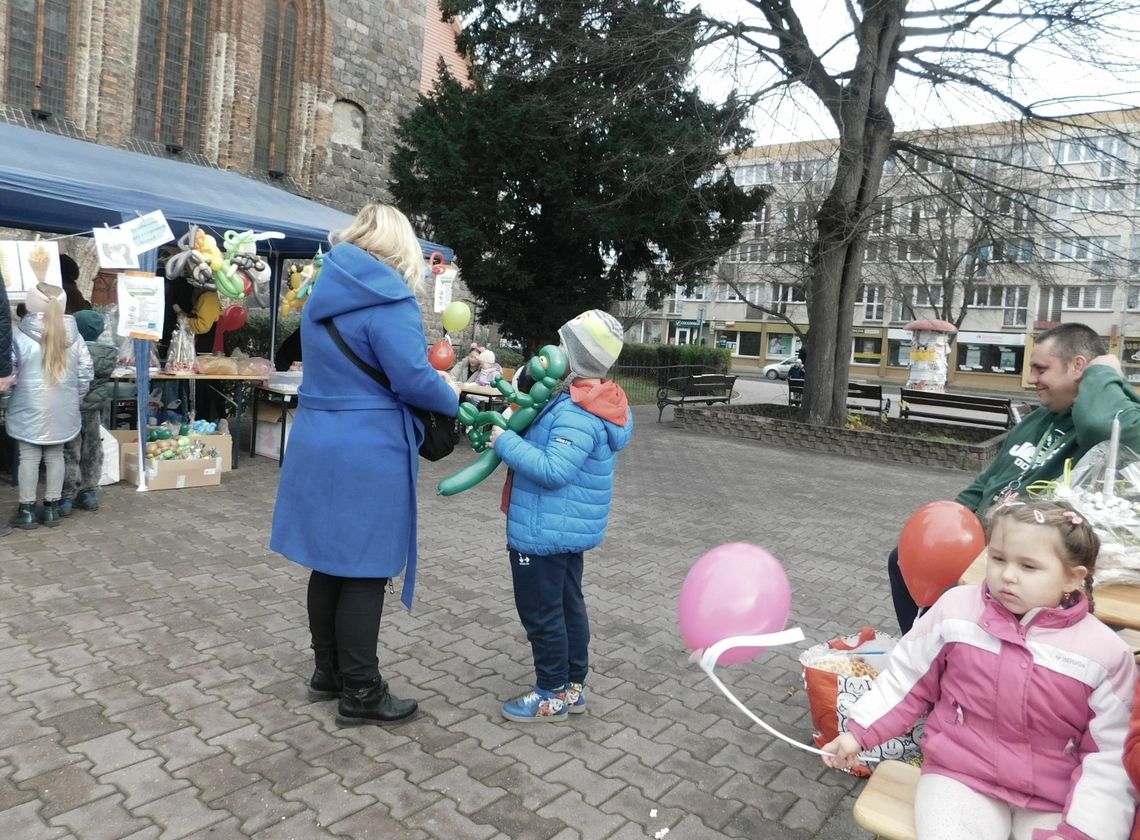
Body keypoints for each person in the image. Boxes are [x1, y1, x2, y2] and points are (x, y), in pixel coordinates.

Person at [827, 499, 1137, 840]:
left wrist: (1085, 830)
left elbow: (1111, 754)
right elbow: (907, 677)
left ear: (1072, 578)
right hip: (960, 775)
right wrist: (859, 732)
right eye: (998, 558)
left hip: (1055, 797)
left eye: (1029, 566)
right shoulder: (956, 611)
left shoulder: (1105, 654)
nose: (1007, 575)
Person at [270, 203, 460, 727]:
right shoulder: (391, 300)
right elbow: (412, 379)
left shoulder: (320, 294)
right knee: (366, 570)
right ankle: (361, 689)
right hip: (368, 446)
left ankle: (326, 673)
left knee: (328, 562)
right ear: (400, 248)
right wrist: (451, 397)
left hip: (316, 437)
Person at [889, 322, 1140, 633]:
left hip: (1032, 557)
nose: (1032, 379)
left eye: (1041, 368)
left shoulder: (1108, 426)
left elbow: (1102, 426)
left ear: (1078, 367)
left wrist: (1104, 369)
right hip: (987, 542)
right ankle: (926, 655)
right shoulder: (1038, 419)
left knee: (957, 598)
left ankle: (944, 657)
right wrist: (945, 527)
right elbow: (987, 482)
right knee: (901, 559)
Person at [490, 309, 633, 721]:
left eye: (562, 344)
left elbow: (554, 470)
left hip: (543, 529)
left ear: (574, 358)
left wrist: (505, 442)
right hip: (563, 528)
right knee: (568, 605)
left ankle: (551, 692)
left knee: (542, 610)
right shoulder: (589, 400)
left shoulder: (577, 412)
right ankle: (572, 686)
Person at [7, 282, 93, 529]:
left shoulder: (18, 335)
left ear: (30, 304)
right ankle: (52, 509)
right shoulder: (76, 338)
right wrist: (73, 400)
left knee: (29, 456)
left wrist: (9, 397)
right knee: (56, 455)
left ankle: (26, 510)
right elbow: (86, 372)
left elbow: (8, 372)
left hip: (27, 405)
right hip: (63, 407)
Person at [59, 311, 115, 515]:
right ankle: (89, 492)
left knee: (70, 450)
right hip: (93, 408)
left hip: (70, 407)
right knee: (92, 448)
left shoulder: (69, 350)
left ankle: (66, 496)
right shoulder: (109, 352)